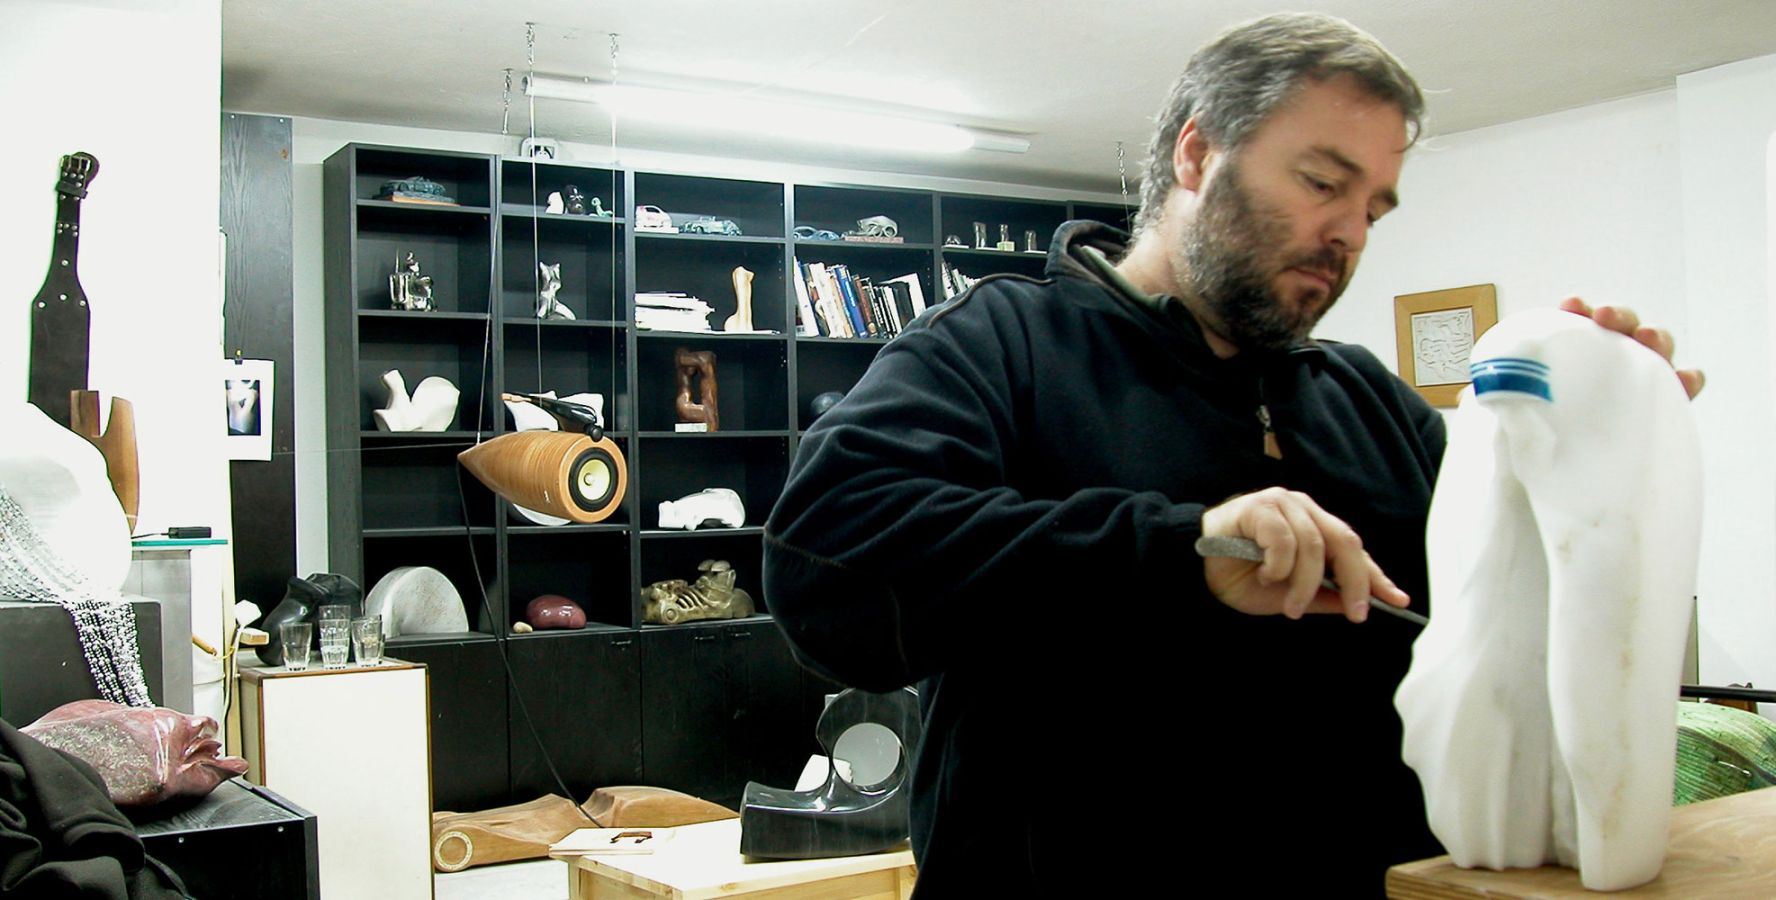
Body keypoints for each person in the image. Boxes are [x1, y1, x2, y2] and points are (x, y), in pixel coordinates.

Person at [763, 12, 1702, 896]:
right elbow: (825, 567)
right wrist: (1186, 550)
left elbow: (1513, 625)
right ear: (1198, 153)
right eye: (1323, 182)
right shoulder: (999, 346)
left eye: (1374, 209)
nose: (1349, 234)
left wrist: (1596, 452)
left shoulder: (1371, 403)